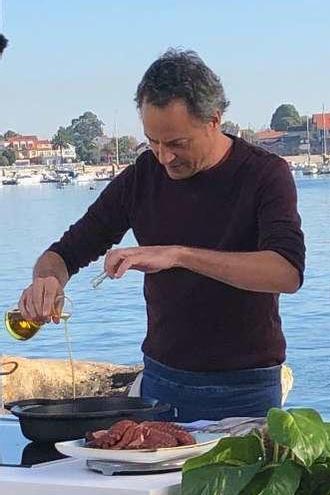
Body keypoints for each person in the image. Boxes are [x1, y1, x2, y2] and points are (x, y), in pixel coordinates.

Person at [16, 49, 305, 422]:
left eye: (177, 144)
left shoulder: (265, 174)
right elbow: (66, 251)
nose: (163, 157)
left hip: (246, 389)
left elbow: (286, 272)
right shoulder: (142, 176)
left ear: (214, 120)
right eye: (153, 141)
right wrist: (46, 280)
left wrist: (179, 255)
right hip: (160, 384)